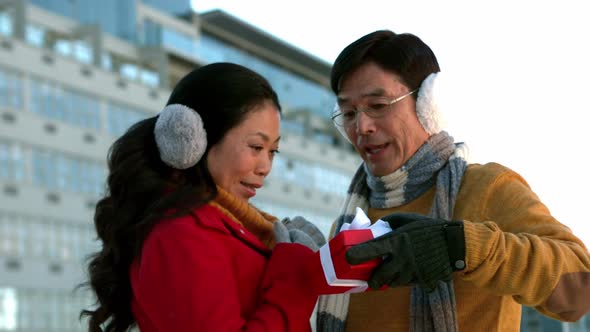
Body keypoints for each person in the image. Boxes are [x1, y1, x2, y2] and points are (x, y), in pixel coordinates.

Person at [316, 30, 590, 332]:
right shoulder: (349, 220)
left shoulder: (487, 187)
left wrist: (459, 247)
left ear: (427, 104)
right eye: (349, 112)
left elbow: (580, 292)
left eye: (378, 106)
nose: (361, 126)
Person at [80, 62, 345, 332]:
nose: (265, 167)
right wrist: (296, 280)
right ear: (192, 140)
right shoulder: (180, 234)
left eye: (272, 151)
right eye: (255, 147)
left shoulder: (230, 227)